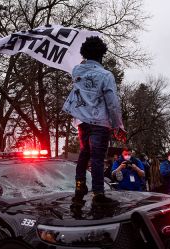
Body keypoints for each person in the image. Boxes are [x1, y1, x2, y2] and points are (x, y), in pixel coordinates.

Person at [62, 36, 126, 205]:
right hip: (99, 121)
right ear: (102, 54)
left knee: (84, 153)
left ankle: (79, 185)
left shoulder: (77, 71)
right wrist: (117, 125)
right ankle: (98, 193)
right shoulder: (106, 75)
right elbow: (112, 103)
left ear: (85, 53)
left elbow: (80, 69)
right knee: (97, 157)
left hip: (82, 121)